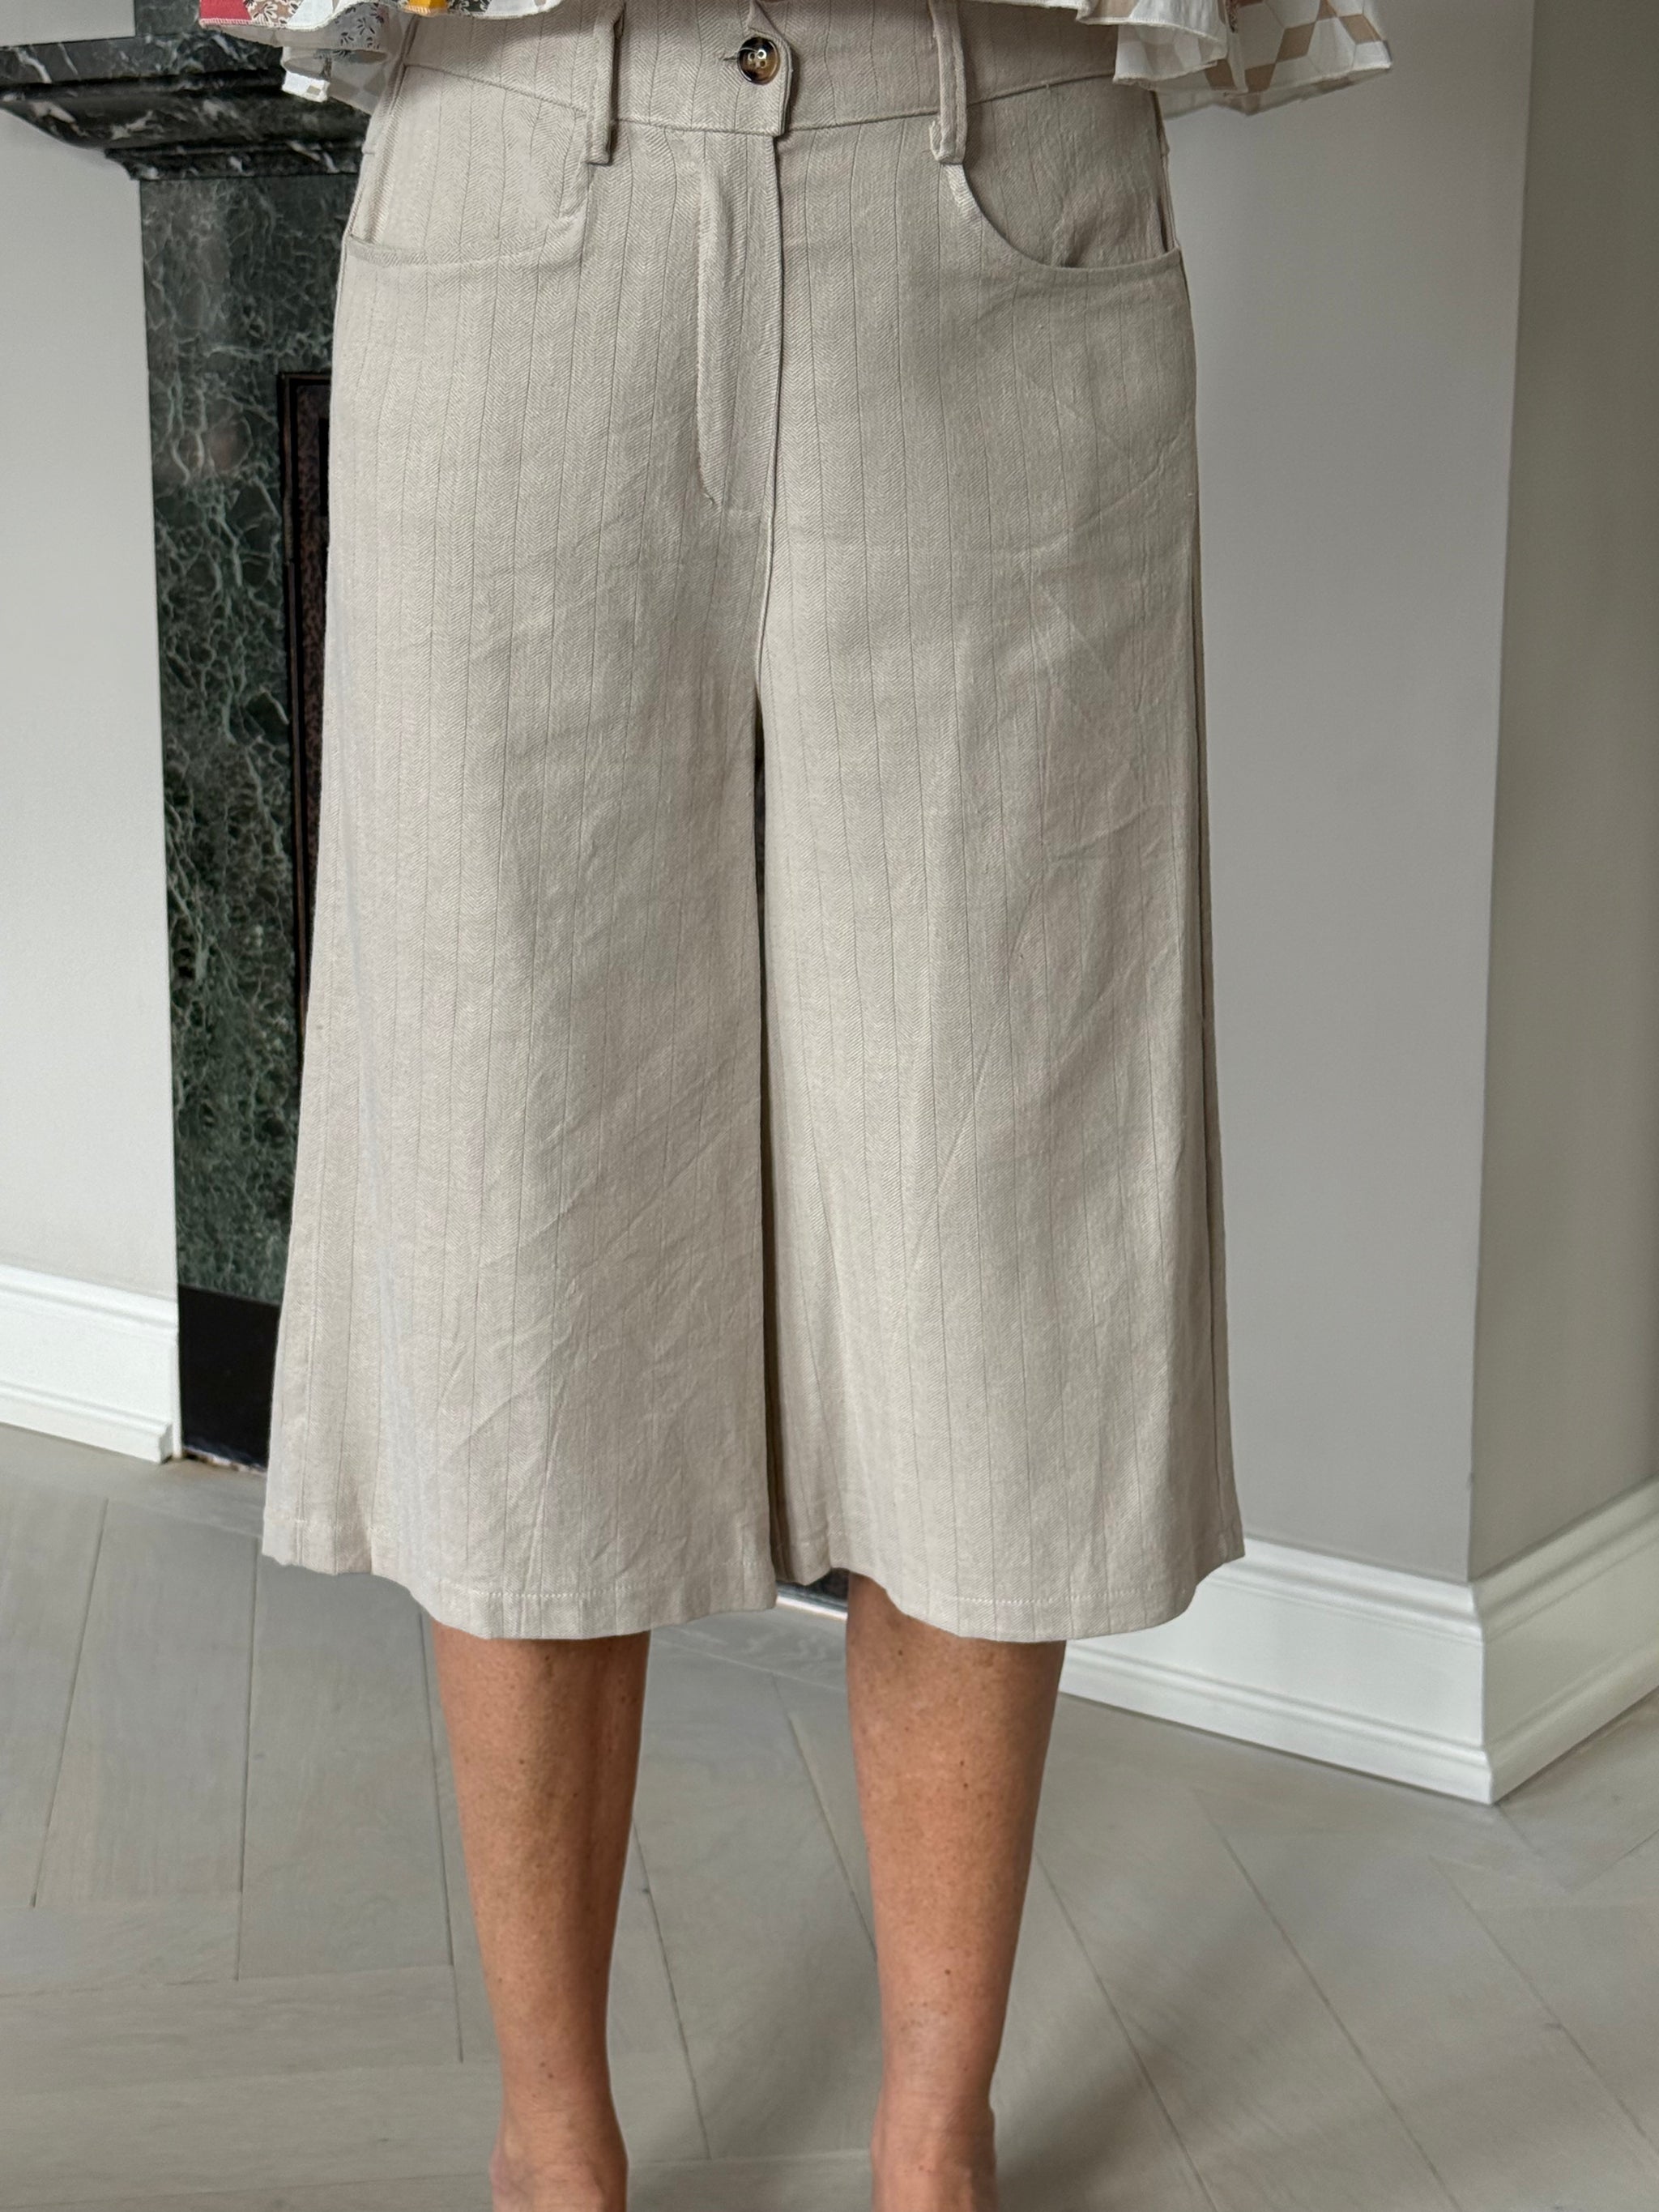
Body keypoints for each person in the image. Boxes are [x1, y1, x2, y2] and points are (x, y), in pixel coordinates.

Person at [207, 1, 1391, 2206]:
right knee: (512, 1190)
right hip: (518, 160)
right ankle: (554, 2136)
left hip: (988, 164)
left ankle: (937, 2130)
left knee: (987, 1220)